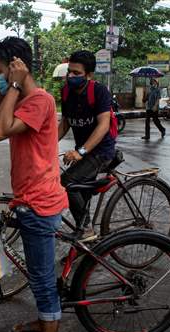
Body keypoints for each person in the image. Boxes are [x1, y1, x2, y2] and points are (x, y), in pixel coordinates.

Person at [0, 36, 68, 332]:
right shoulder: (18, 97)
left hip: (40, 203)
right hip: (30, 199)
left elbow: (1, 131)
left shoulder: (39, 100)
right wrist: (5, 89)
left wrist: (14, 86)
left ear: (17, 66)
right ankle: (42, 323)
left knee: (42, 281)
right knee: (37, 275)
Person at [58, 50, 118, 239]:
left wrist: (80, 152)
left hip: (101, 151)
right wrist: (48, 145)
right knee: (81, 193)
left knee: (68, 181)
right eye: (70, 71)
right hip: (84, 152)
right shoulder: (66, 92)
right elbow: (65, 122)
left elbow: (103, 126)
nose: (71, 76)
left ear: (89, 75)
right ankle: (87, 240)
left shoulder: (98, 91)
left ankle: (86, 230)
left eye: (77, 73)